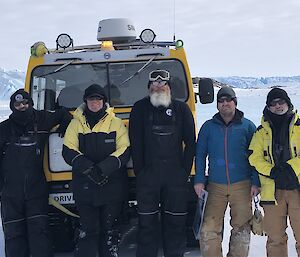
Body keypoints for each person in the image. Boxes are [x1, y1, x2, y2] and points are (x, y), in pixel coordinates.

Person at [129, 69, 196, 257]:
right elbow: (135, 143)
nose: (158, 87)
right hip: (148, 176)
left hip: (175, 176)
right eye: (154, 84)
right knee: (146, 224)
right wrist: (140, 171)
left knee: (175, 224)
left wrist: (184, 171)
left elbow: (191, 142)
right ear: (149, 87)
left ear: (169, 87)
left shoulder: (181, 109)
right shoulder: (139, 109)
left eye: (163, 84)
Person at [0, 89, 72, 257]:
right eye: (17, 104)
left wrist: (64, 126)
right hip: (10, 191)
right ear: (12, 107)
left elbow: (63, 113)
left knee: (39, 232)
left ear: (31, 104)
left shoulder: (42, 118)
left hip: (36, 188)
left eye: (25, 103)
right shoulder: (3, 129)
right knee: (14, 233)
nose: (22, 106)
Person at [62, 84, 130, 257]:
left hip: (111, 184)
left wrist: (104, 168)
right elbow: (68, 150)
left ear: (104, 102)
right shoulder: (75, 124)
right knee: (89, 229)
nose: (95, 103)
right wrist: (89, 169)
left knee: (109, 229)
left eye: (98, 99)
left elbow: (124, 149)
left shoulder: (116, 123)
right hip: (84, 186)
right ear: (86, 101)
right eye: (91, 99)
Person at [194, 86, 260, 257]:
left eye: (228, 100)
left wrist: (256, 182)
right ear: (217, 105)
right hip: (216, 186)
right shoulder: (208, 127)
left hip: (242, 185)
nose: (225, 104)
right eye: (221, 101)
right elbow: (200, 155)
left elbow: (256, 156)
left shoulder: (247, 126)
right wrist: (199, 180)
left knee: (241, 227)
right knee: (209, 229)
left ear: (235, 103)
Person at [249, 87, 300, 257]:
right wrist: (272, 171)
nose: (278, 106)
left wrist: (290, 168)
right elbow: (254, 157)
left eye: (281, 102)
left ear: (288, 103)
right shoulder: (260, 131)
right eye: (273, 103)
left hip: (296, 189)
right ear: (268, 107)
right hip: (272, 190)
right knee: (275, 238)